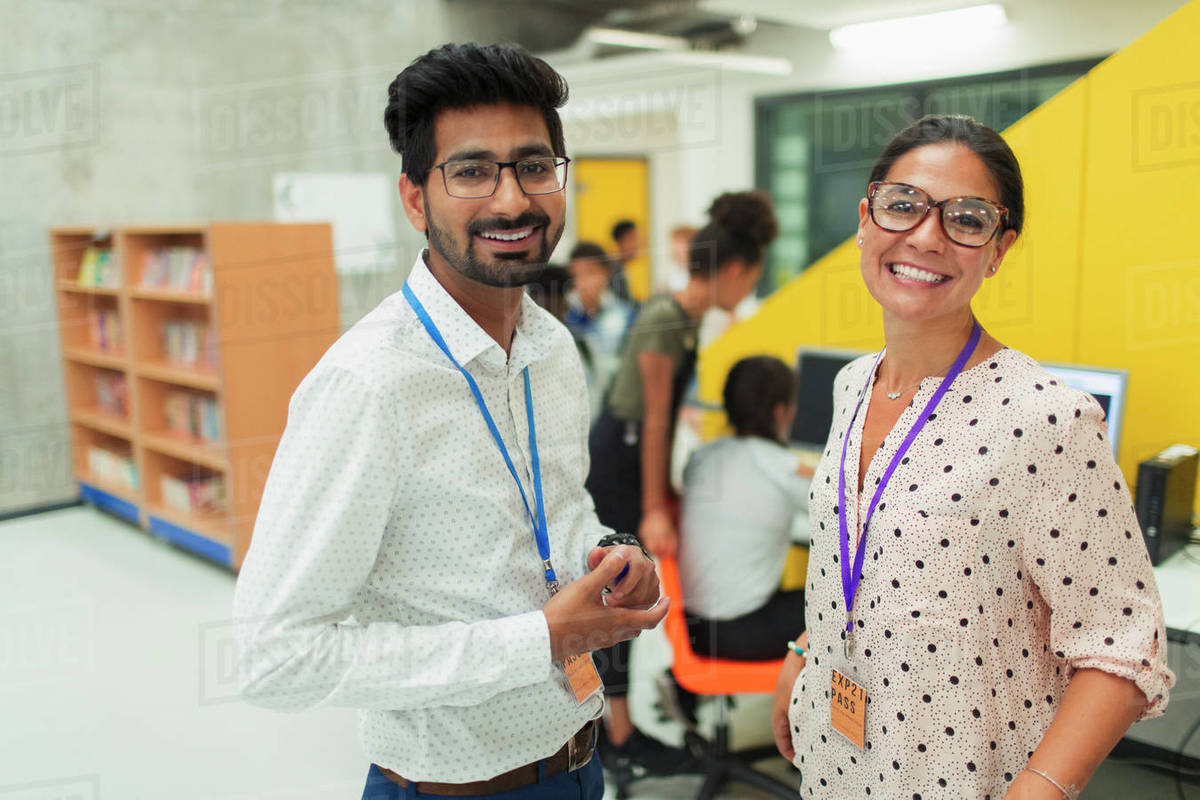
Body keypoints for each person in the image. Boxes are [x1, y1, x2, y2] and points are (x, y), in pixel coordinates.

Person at [233, 42, 669, 800]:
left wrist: (607, 555)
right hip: (450, 788)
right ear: (413, 198)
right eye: (471, 172)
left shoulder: (552, 347)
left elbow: (554, 515)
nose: (511, 201)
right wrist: (540, 640)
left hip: (579, 761)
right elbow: (274, 659)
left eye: (535, 167)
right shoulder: (366, 385)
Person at [771, 114, 1174, 799]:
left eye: (967, 218)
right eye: (903, 206)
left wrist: (1037, 790)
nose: (926, 237)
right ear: (866, 219)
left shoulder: (1046, 419)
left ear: (998, 248)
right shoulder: (853, 385)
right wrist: (808, 649)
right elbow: (862, 557)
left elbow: (1124, 645)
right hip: (837, 763)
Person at [587, 190, 779, 771]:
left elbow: (663, 423)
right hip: (619, 461)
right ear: (737, 270)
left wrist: (664, 493)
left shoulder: (686, 320)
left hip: (634, 457)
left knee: (619, 596)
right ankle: (617, 739)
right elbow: (650, 421)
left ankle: (618, 730)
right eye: (754, 280)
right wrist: (651, 505)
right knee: (613, 597)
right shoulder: (663, 319)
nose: (749, 293)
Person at [679, 355, 810, 662]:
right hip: (740, 630)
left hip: (690, 627)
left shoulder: (701, 458)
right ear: (781, 412)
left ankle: (680, 686)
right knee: (839, 603)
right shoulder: (784, 467)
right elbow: (843, 515)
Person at [564, 241, 633, 419]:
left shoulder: (624, 317)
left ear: (607, 273)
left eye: (591, 273)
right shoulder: (563, 320)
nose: (584, 282)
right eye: (576, 276)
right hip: (573, 412)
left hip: (613, 412)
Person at [608, 219, 638, 304]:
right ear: (622, 241)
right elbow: (624, 303)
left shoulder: (620, 267)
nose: (638, 244)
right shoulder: (614, 269)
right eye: (634, 239)